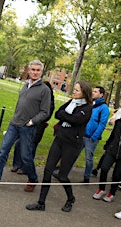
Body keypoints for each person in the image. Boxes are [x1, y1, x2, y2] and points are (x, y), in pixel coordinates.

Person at [0, 60, 52, 192]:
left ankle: (32, 178)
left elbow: (45, 112)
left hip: (28, 127)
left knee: (25, 156)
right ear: (29, 71)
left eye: (38, 70)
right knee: (3, 152)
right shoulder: (25, 85)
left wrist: (32, 122)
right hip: (14, 124)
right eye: (33, 69)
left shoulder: (44, 90)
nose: (35, 72)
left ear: (42, 72)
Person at [26, 81, 92, 212]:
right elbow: (57, 113)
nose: (74, 91)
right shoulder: (71, 102)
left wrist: (66, 117)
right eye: (74, 89)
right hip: (59, 140)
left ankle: (71, 198)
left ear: (84, 93)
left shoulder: (88, 108)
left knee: (62, 176)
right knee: (47, 171)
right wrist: (68, 117)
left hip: (72, 144)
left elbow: (76, 120)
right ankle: (41, 203)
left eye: (77, 90)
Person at [92, 105, 121, 202]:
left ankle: (112, 193)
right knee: (104, 168)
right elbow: (113, 135)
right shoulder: (118, 122)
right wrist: (106, 146)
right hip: (112, 150)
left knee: (117, 175)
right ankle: (101, 189)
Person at [11, 81, 55, 175]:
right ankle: (17, 164)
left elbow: (46, 114)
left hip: (38, 126)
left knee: (30, 147)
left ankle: (25, 168)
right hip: (25, 123)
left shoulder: (49, 101)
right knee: (19, 144)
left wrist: (34, 120)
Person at [81, 86, 110, 183]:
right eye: (93, 91)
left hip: (91, 137)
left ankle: (87, 176)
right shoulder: (89, 103)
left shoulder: (104, 107)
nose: (93, 93)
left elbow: (102, 124)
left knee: (88, 158)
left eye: (96, 91)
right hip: (82, 133)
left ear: (101, 94)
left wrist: (94, 136)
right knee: (73, 153)